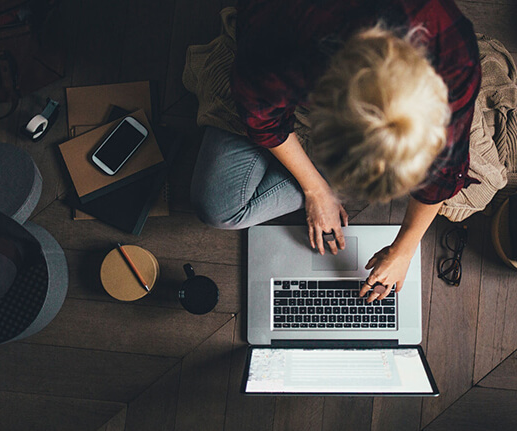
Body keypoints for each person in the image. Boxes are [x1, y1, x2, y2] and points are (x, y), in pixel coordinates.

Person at [191, 0, 481, 302]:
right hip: (279, 42)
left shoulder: (455, 56)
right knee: (216, 208)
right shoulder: (277, 43)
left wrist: (404, 250)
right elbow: (264, 122)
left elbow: (446, 173)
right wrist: (315, 189)